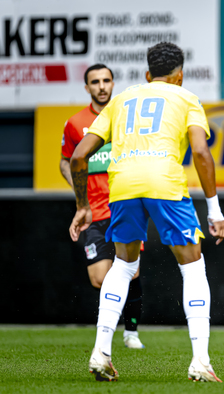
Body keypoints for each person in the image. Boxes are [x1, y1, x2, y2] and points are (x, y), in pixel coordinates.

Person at [69, 42, 224, 382]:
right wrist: (214, 210)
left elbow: (78, 157)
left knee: (124, 265)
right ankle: (200, 361)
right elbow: (200, 152)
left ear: (146, 74)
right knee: (193, 267)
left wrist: (83, 205)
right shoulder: (187, 99)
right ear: (179, 75)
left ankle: (101, 352)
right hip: (165, 185)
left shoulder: (120, 100)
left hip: (122, 186)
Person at [60, 64, 145, 349]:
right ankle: (110, 327)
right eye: (95, 81)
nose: (101, 86)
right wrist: (79, 192)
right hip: (93, 211)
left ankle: (131, 331)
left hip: (124, 204)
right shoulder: (74, 123)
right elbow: (65, 160)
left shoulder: (128, 117)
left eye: (106, 80)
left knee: (132, 271)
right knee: (99, 277)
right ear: (87, 87)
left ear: (112, 83)